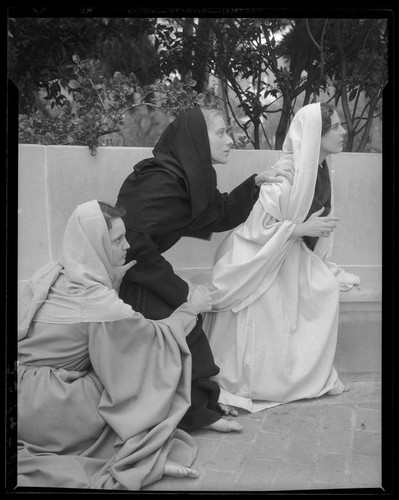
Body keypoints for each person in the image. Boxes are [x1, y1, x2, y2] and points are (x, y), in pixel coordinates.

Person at [116, 106, 294, 433]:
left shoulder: (185, 177)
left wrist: (255, 184)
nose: (230, 140)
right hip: (124, 276)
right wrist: (183, 292)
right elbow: (133, 244)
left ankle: (197, 408)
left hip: (140, 269)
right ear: (198, 137)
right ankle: (190, 414)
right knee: (185, 327)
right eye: (221, 133)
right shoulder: (159, 180)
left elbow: (220, 211)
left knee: (190, 323)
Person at [17, 200, 214, 490]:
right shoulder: (97, 302)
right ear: (95, 244)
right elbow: (151, 340)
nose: (127, 246)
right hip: (51, 408)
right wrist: (192, 308)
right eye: (118, 239)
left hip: (21, 393)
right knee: (131, 380)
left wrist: (112, 283)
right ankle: (140, 461)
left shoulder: (51, 274)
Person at [202, 102, 360, 414]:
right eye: (336, 127)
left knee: (324, 290)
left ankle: (301, 373)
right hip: (261, 260)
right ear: (317, 134)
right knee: (273, 304)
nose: (343, 132)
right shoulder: (286, 173)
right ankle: (263, 380)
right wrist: (300, 228)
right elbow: (257, 228)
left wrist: (307, 235)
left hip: (291, 255)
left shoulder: (322, 170)